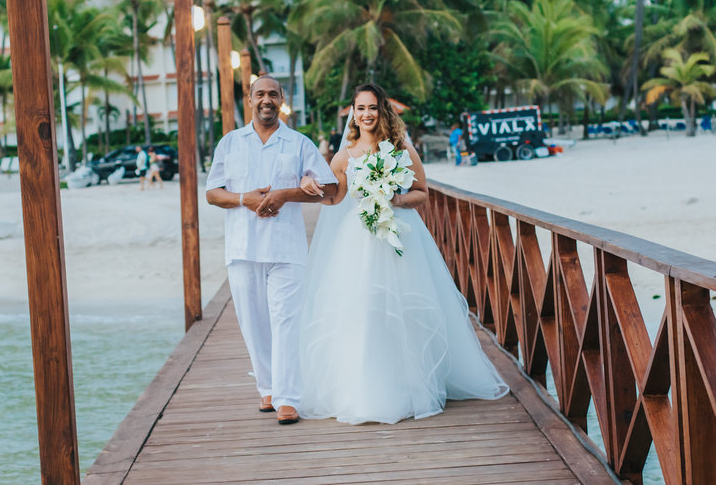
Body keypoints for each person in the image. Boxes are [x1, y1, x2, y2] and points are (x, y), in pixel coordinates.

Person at [298, 83, 508, 425]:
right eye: (360, 108)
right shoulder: (343, 156)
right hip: (359, 238)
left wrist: (392, 199)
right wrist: (311, 186)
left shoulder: (401, 149)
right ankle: (365, 389)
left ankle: (412, 384)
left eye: (372, 108)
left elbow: (422, 192)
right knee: (364, 308)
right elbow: (335, 198)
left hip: (401, 236)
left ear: (382, 110)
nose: (366, 114)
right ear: (353, 112)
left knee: (405, 305)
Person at [205, 75, 338, 425]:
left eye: (273, 94)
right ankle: (267, 388)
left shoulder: (298, 143)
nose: (267, 100)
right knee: (253, 323)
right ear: (249, 99)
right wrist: (242, 199)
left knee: (286, 321)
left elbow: (330, 186)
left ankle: (287, 398)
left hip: (286, 247)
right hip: (242, 247)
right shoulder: (230, 143)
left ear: (282, 100)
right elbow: (212, 193)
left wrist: (285, 193)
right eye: (260, 94)